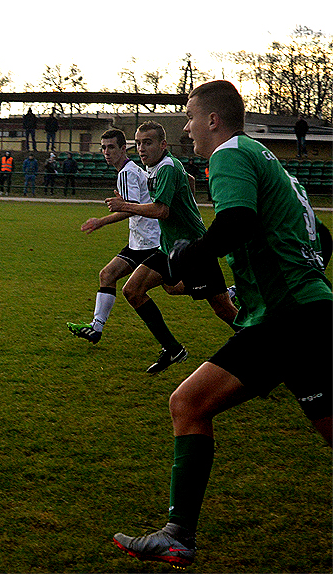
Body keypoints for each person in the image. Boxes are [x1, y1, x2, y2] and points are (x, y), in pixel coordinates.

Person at [113, 80, 332, 567]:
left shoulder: (230, 154)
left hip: (285, 317)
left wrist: (190, 256)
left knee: (188, 403)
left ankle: (177, 534)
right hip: (308, 310)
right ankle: (178, 534)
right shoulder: (262, 156)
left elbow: (236, 222)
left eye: (190, 115)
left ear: (213, 120)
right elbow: (323, 233)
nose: (186, 125)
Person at [105, 121, 239, 374]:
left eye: (148, 142)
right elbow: (188, 179)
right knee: (133, 290)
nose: (142, 148)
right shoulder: (155, 167)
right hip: (170, 248)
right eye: (139, 143)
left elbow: (161, 210)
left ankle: (269, 348)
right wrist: (188, 200)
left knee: (222, 309)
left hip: (193, 248)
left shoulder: (166, 167)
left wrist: (126, 206)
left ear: (163, 144)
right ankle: (173, 349)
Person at [66, 129, 160, 344]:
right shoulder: (128, 171)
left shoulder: (127, 172)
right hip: (139, 241)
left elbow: (131, 209)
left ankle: (227, 293)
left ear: (122, 149)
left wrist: (100, 222)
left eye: (111, 147)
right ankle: (96, 328)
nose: (106, 152)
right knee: (107, 275)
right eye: (103, 147)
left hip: (151, 241)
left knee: (173, 287)